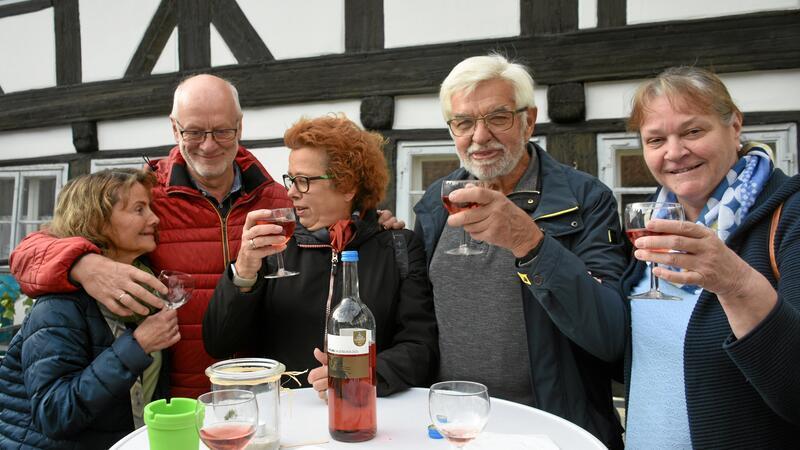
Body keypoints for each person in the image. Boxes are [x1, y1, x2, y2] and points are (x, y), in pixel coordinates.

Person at [8, 74, 292, 398]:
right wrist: (83, 264)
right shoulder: (147, 197)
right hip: (176, 402)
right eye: (194, 132)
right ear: (174, 128)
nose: (209, 144)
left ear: (239, 127)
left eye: (222, 131)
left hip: (262, 393)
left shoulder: (277, 201)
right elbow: (27, 255)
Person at [413, 54, 626, 448]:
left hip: (550, 431)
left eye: (498, 118)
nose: (479, 137)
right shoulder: (435, 204)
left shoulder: (587, 199)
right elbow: (419, 322)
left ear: (529, 121)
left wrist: (530, 242)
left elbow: (611, 335)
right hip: (452, 431)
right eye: (463, 123)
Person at [621, 66, 800, 449]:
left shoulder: (791, 215)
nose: (674, 152)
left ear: (734, 126)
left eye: (692, 132)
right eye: (656, 140)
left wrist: (735, 282)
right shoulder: (655, 219)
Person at [203, 115, 438, 397]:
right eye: (291, 179)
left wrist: (358, 374)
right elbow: (219, 343)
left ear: (348, 186)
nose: (291, 192)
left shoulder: (400, 247)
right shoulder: (273, 248)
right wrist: (243, 272)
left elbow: (420, 348)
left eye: (303, 181)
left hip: (364, 410)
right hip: (287, 411)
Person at [0, 169, 179, 449]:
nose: (154, 219)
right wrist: (138, 345)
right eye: (139, 209)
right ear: (98, 220)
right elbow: (53, 413)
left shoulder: (147, 287)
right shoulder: (58, 305)